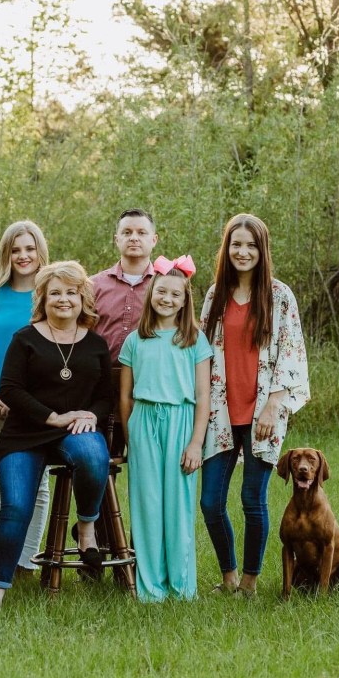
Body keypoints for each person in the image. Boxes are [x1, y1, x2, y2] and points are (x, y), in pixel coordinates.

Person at [0, 261, 112, 612]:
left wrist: (92, 415)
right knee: (16, 507)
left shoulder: (96, 344)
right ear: (42, 298)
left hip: (75, 430)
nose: (63, 299)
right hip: (25, 433)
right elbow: (10, 389)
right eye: (55, 293)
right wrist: (52, 417)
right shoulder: (25, 338)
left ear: (83, 298)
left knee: (93, 455)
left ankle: (86, 527)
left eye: (71, 292)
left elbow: (105, 396)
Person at [199, 213, 310, 597]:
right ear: (226, 249)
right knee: (210, 502)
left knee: (252, 499)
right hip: (220, 412)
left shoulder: (279, 296)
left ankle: (249, 582)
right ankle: (229, 575)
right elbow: (200, 353)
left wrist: (274, 406)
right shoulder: (214, 295)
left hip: (263, 412)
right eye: (236, 244)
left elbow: (292, 354)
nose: (242, 252)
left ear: (262, 250)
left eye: (250, 245)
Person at [118, 255, 212, 602]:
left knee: (178, 505)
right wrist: (131, 438)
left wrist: (196, 443)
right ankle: (151, 588)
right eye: (161, 291)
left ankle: (181, 585)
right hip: (144, 422)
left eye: (175, 294)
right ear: (151, 293)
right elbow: (125, 396)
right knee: (147, 505)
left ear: (185, 300)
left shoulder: (194, 340)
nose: (167, 299)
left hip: (180, 423)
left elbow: (203, 397)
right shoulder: (135, 340)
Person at [0, 220, 52, 576]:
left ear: (40, 251)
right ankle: (0, 557)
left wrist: (32, 405)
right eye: (16, 250)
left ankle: (26, 562)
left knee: (37, 484)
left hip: (34, 407)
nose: (23, 256)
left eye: (29, 248)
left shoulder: (50, 294)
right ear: (6, 254)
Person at [91, 208, 159, 364]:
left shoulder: (165, 286)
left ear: (154, 240)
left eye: (141, 233)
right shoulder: (93, 285)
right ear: (117, 239)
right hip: (101, 374)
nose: (134, 238)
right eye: (127, 232)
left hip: (148, 374)